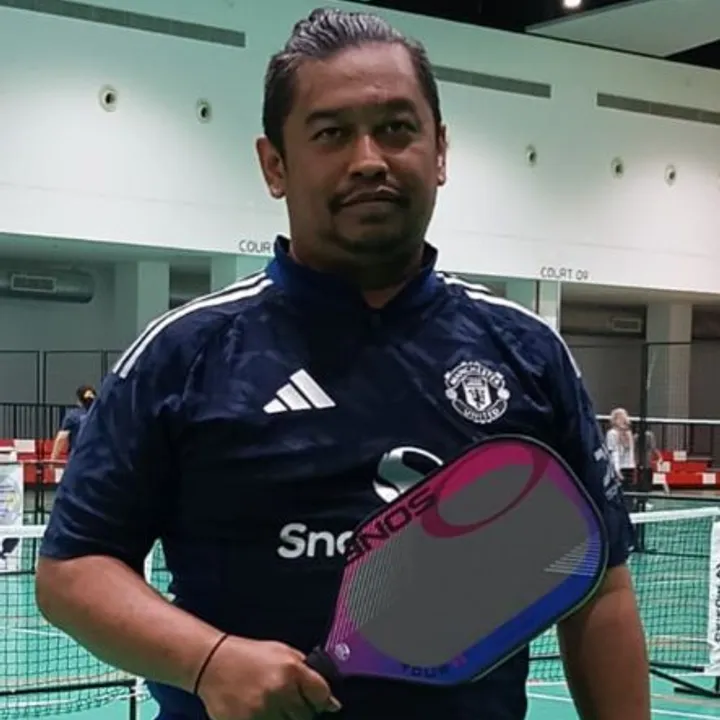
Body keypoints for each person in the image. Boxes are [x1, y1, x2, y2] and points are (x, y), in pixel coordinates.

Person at [34, 9, 650, 720]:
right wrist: (208, 661)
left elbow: (600, 591)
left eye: (397, 128)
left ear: (440, 151)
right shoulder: (183, 354)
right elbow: (71, 570)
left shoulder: (527, 351)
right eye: (331, 134)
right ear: (275, 165)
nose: (369, 159)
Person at [49, 384, 97, 461]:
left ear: (79, 400)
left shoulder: (73, 416)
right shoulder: (101, 415)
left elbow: (61, 438)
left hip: (78, 458)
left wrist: (53, 459)